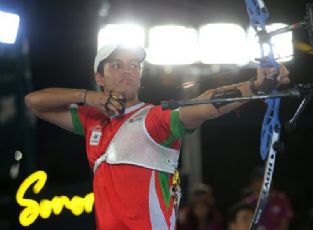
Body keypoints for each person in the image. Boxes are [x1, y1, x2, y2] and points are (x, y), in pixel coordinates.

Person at [24, 44, 290, 230]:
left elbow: (203, 104)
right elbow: (33, 102)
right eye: (116, 65)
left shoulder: (155, 119)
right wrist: (86, 97)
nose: (127, 70)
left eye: (133, 65)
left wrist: (255, 86)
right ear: (99, 78)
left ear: (140, 76)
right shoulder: (92, 121)